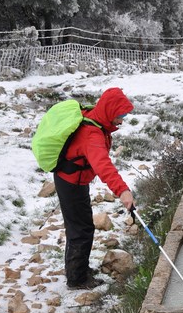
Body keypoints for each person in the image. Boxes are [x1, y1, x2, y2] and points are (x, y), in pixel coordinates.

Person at [53, 87, 135, 290]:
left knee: (79, 226)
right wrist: (123, 191)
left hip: (73, 180)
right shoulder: (92, 135)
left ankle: (78, 270)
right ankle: (77, 279)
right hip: (71, 182)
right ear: (109, 111)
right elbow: (103, 166)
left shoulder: (95, 118)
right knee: (80, 230)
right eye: (120, 116)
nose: (121, 121)